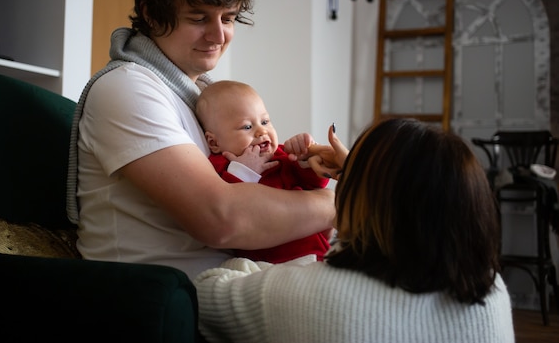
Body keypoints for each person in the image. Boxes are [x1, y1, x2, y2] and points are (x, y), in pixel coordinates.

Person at [65, 0, 335, 280]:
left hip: (233, 276)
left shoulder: (201, 98)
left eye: (228, 18)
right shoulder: (127, 87)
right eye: (198, 18)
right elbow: (221, 219)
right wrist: (343, 206)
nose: (218, 36)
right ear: (150, 13)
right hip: (159, 294)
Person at [194, 118, 515, 343]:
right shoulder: (490, 288)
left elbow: (207, 292)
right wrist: (358, 175)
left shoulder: (307, 295)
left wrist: (272, 268)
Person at [195, 80, 331, 263]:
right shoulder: (221, 166)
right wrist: (244, 170)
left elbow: (314, 184)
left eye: (265, 121)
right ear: (214, 143)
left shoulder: (281, 156)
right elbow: (228, 205)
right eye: (247, 127)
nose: (262, 131)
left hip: (317, 253)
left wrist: (305, 158)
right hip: (271, 263)